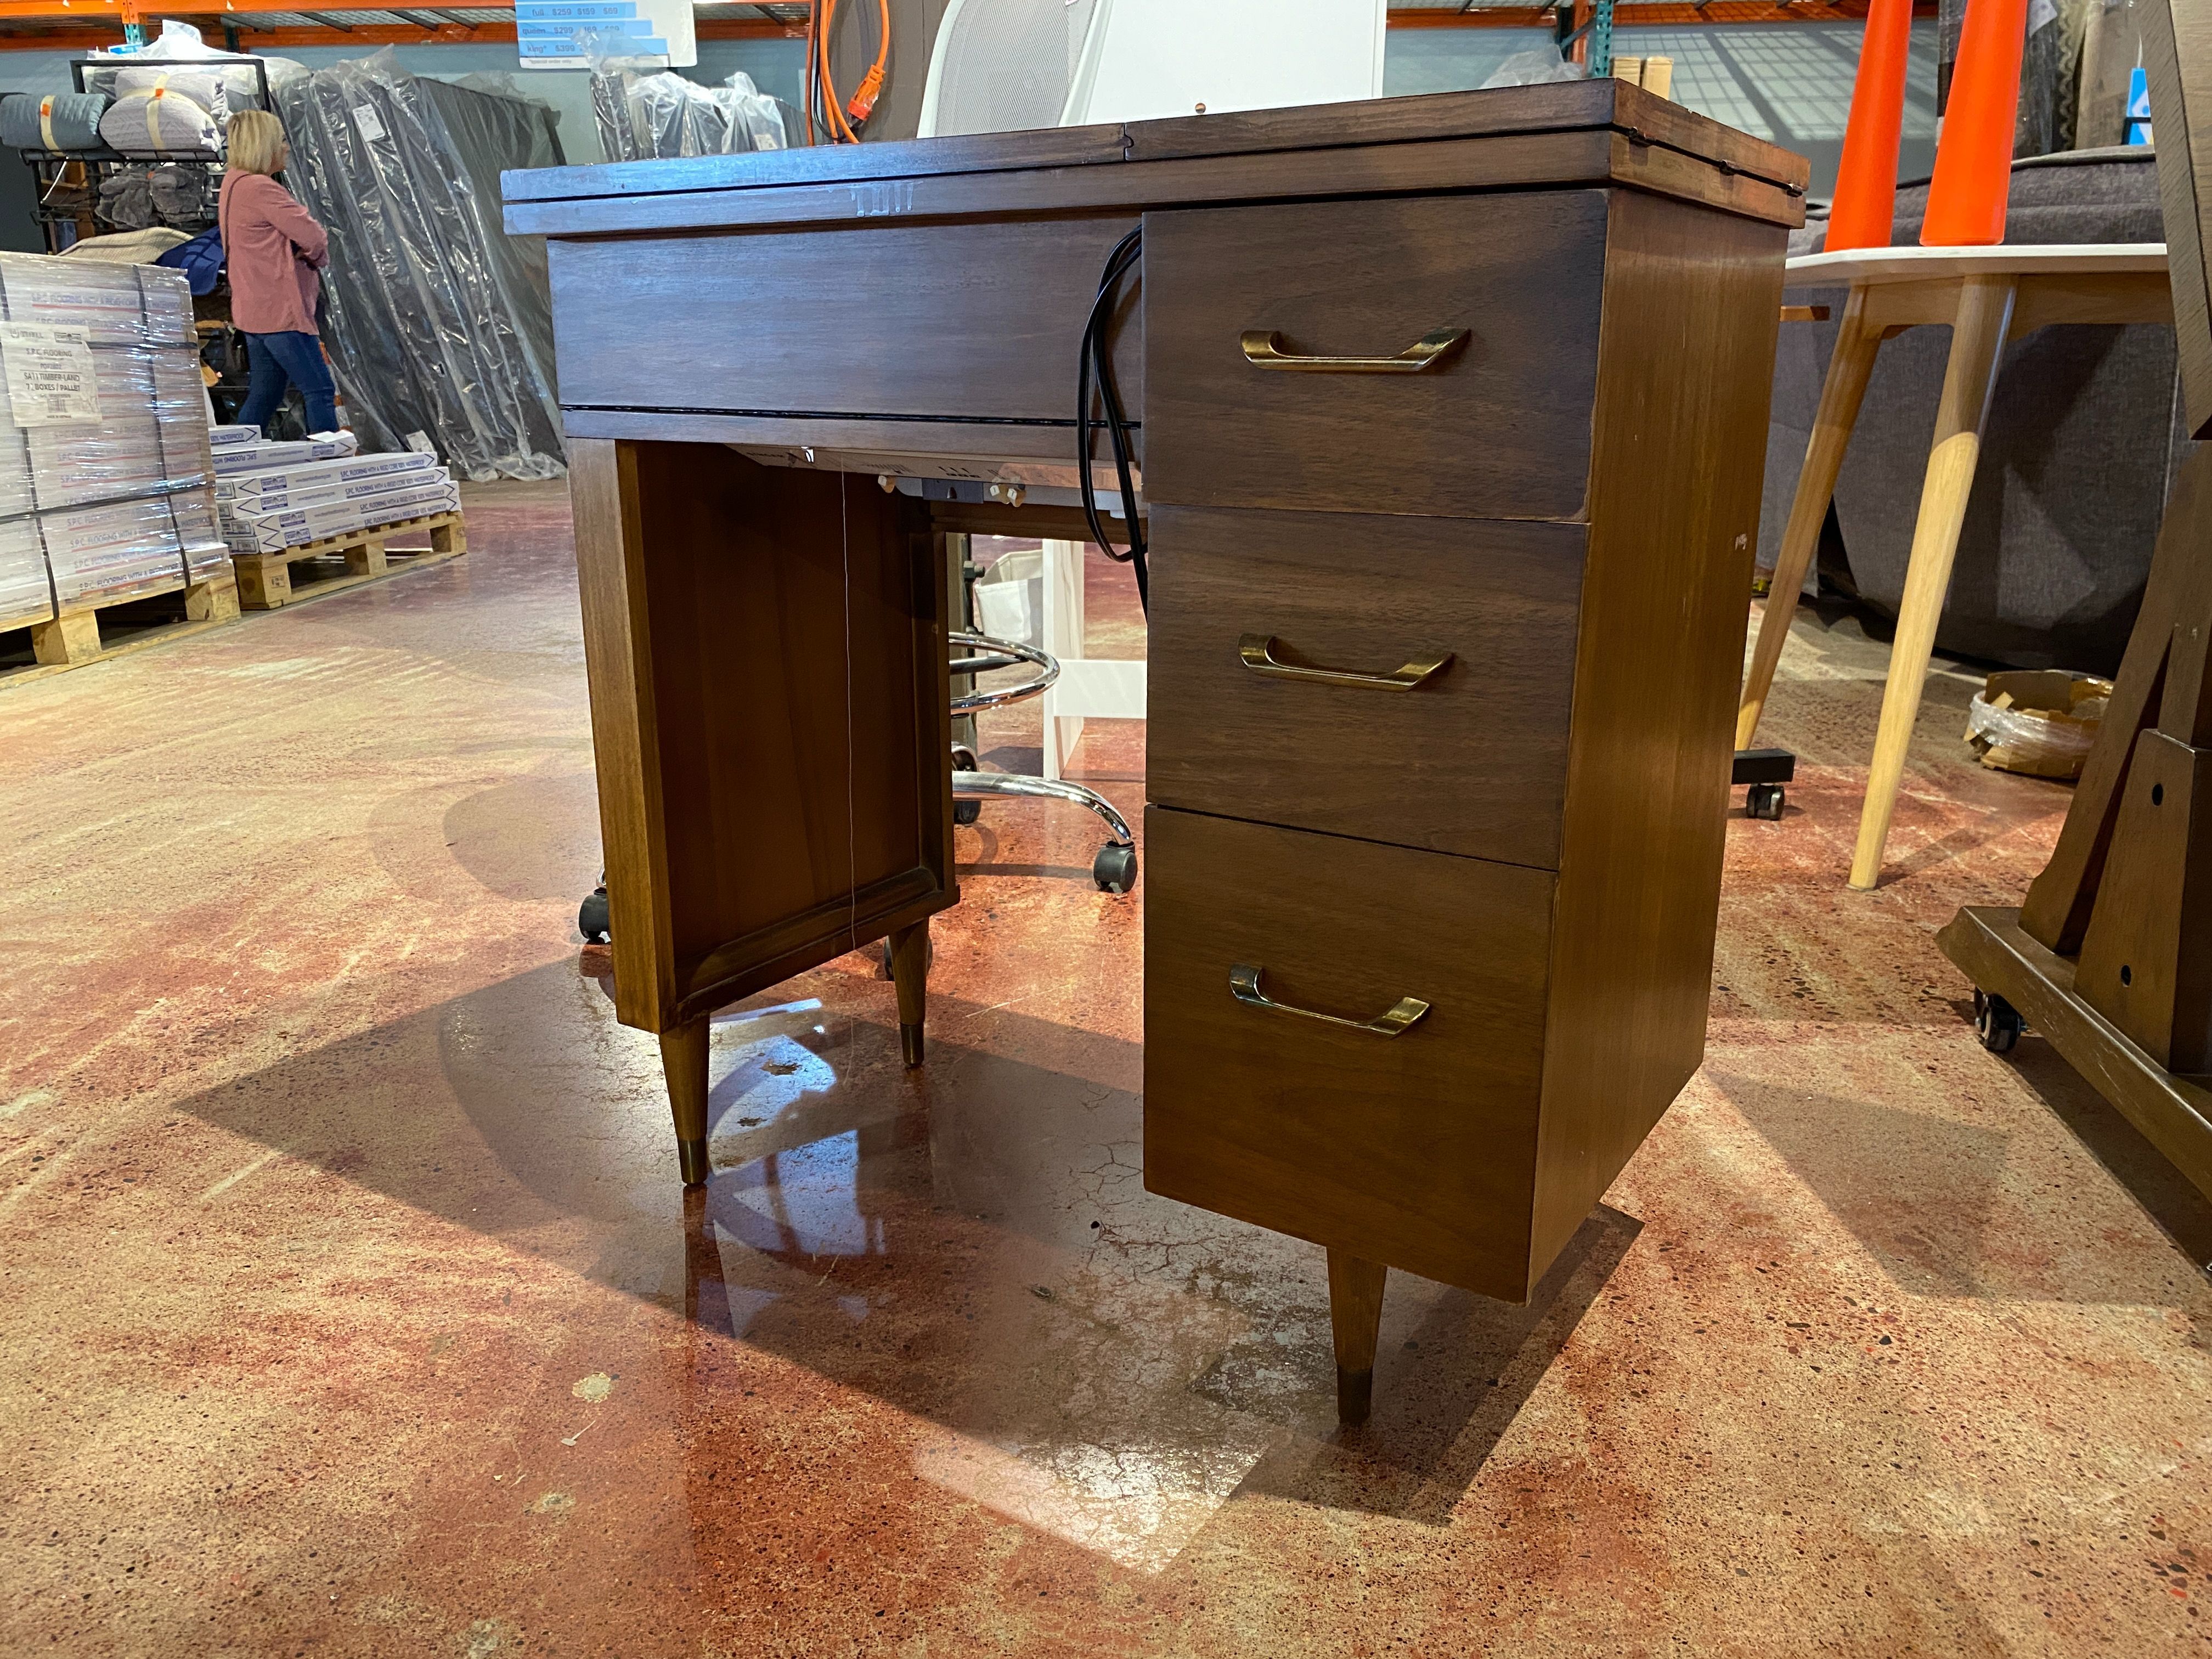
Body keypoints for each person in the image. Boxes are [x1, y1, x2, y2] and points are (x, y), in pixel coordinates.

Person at [218, 109, 340, 436]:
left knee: (265, 395)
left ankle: (238, 461)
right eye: (281, 141)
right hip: (279, 312)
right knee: (320, 390)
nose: (286, 148)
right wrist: (312, 256)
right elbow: (314, 236)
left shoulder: (232, 184)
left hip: (252, 310)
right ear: (266, 145)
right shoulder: (261, 188)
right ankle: (330, 471)